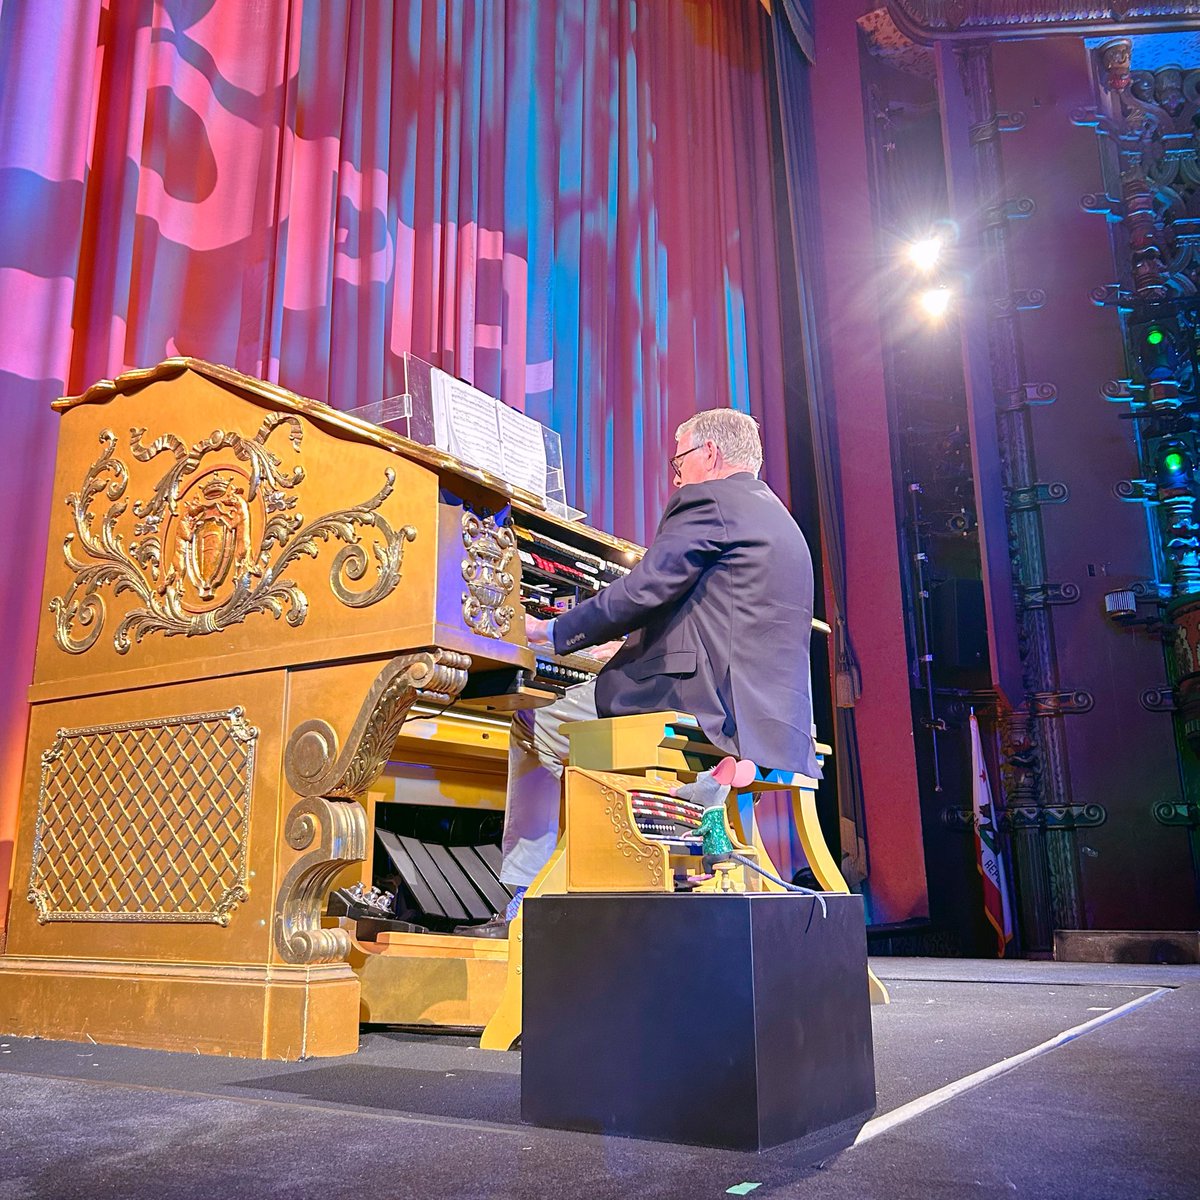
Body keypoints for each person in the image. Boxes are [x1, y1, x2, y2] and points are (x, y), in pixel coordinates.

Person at [463, 408, 819, 935]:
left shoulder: (709, 500)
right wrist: (630, 648)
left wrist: (551, 632)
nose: (675, 477)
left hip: (695, 698)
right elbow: (710, 613)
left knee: (531, 726)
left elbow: (643, 590)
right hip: (766, 715)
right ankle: (670, 834)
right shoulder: (779, 519)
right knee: (592, 730)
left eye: (679, 461)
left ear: (711, 457)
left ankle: (526, 898)